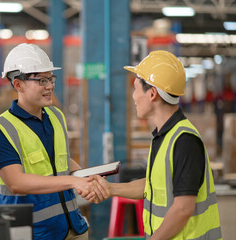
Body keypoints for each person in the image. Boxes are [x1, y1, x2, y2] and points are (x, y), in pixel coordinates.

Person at [91, 50, 222, 239]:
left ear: (152, 94)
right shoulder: (164, 136)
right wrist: (111, 189)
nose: (134, 97)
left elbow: (183, 208)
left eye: (136, 89)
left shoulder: (184, 141)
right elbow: (153, 186)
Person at [0, 43, 106, 240]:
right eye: (41, 80)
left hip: (75, 227)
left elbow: (61, 162)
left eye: (50, 79)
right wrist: (73, 181)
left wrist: (86, 178)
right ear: (18, 84)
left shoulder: (56, 116)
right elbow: (16, 182)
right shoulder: (1, 130)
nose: (50, 86)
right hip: (35, 233)